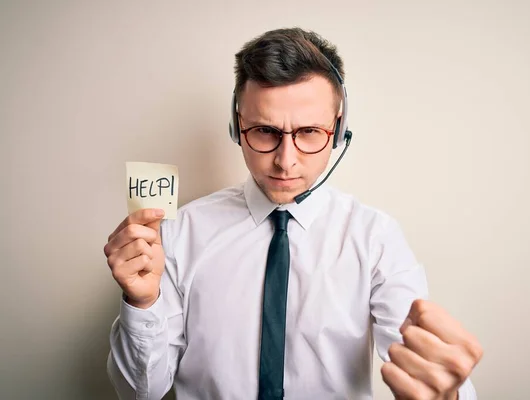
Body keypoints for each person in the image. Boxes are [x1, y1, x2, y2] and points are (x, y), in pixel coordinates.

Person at [104, 27, 483, 400]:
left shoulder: (376, 239)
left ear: (338, 130)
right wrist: (142, 303)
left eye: (309, 132)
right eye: (266, 131)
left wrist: (444, 394)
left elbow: (423, 370)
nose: (286, 162)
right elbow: (140, 394)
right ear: (237, 125)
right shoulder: (180, 232)